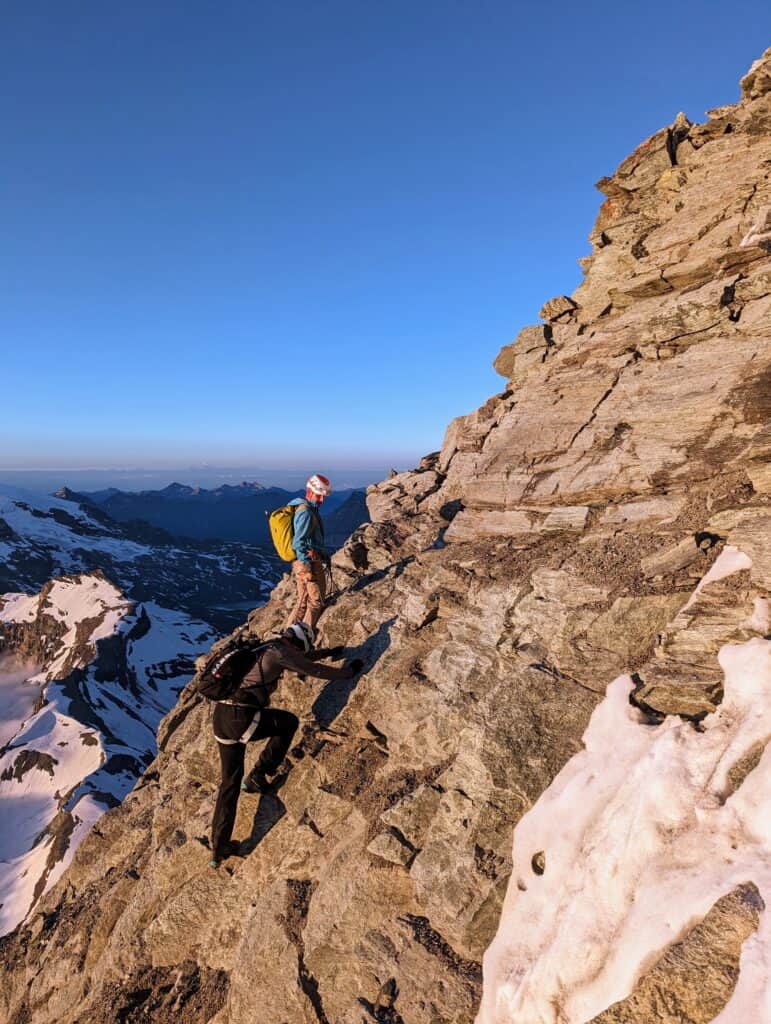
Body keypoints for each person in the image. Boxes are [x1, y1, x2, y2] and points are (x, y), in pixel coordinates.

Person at [209, 620, 363, 867]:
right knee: (288, 723)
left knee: (229, 783)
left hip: (221, 718)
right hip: (241, 718)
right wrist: (349, 672)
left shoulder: (268, 647)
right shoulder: (280, 653)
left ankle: (218, 849)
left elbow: (303, 659)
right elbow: (312, 669)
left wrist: (328, 652)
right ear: (300, 642)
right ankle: (260, 774)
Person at [288, 473, 332, 631]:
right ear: (310, 491)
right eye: (319, 496)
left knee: (304, 601)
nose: (322, 500)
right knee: (314, 602)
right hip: (308, 563)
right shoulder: (306, 513)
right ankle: (299, 639)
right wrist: (306, 567)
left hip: (308, 560)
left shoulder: (305, 508)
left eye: (323, 497)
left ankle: (291, 636)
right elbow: (298, 542)